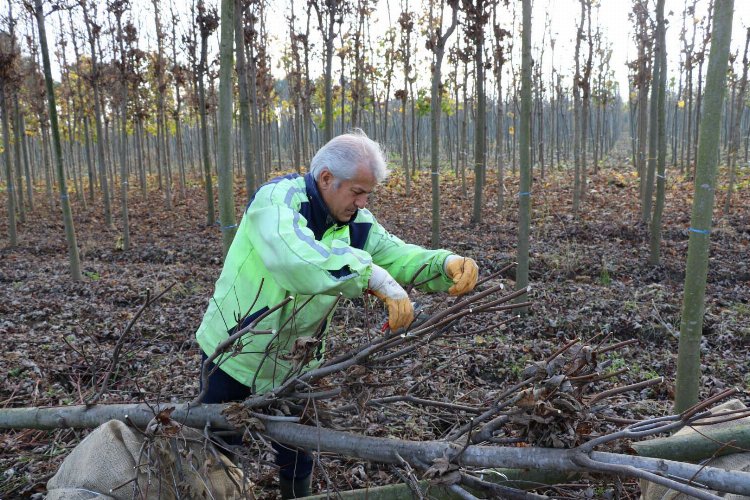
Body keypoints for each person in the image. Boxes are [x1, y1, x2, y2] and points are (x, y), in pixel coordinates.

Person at [195, 129, 478, 498]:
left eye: (368, 194)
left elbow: (395, 253)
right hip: (234, 351)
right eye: (357, 192)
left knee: (297, 452)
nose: (362, 203)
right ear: (326, 178)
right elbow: (292, 259)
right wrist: (370, 275)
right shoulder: (276, 201)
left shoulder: (355, 223)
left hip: (297, 361)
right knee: (218, 448)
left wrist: (445, 264)